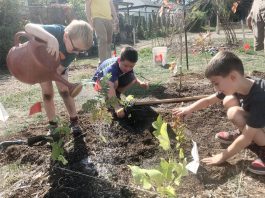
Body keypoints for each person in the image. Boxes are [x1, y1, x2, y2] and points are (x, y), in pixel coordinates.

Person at [173, 51, 265, 175]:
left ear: (232, 76)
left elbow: (247, 138)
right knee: (229, 101)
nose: (215, 88)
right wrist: (189, 109)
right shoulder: (240, 83)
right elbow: (208, 100)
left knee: (239, 120)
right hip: (260, 121)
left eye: (216, 83)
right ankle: (249, 131)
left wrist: (222, 156)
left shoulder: (259, 97)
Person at [25, 20, 93, 137]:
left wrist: (58, 75)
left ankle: (74, 121)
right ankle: (53, 126)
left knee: (64, 90)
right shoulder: (56, 31)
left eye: (81, 51)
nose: (77, 53)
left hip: (58, 67)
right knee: (47, 94)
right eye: (77, 49)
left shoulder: (73, 52)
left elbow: (58, 70)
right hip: (42, 64)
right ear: (66, 36)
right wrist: (51, 38)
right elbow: (28, 27)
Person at [92, 46, 149, 118]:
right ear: (119, 60)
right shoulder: (111, 68)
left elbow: (133, 76)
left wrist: (140, 83)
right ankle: (109, 102)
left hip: (110, 82)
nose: (128, 68)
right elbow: (109, 87)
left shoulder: (127, 65)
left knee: (132, 79)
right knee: (114, 82)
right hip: (98, 84)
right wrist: (117, 107)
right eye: (125, 65)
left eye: (131, 66)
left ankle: (116, 96)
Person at [85, 0, 119, 64]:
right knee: (103, 39)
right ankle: (102, 62)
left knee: (109, 41)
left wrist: (115, 16)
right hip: (97, 18)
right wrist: (89, 20)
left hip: (109, 19)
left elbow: (111, 5)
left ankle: (109, 61)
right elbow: (87, 5)